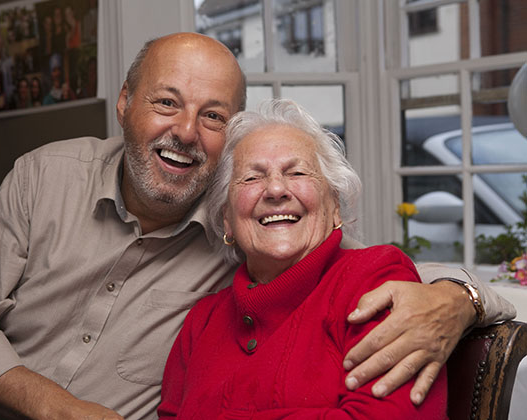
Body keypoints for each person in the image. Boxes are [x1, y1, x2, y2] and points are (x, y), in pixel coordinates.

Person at [0, 32, 514, 420]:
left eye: (213, 115)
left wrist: (461, 298)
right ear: (125, 103)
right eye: (166, 102)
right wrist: (51, 404)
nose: (185, 132)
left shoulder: (262, 230)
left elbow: (353, 266)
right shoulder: (45, 178)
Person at [158, 99, 447, 418]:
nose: (276, 189)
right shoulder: (202, 321)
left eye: (296, 172)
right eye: (252, 178)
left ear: (334, 205)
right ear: (227, 218)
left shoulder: (374, 281)